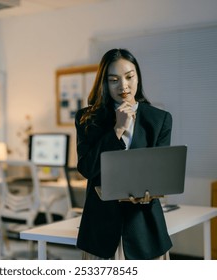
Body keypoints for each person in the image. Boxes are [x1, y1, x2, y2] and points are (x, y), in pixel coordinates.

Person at [75, 48, 173, 260]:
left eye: (129, 77)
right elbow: (87, 168)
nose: (124, 86)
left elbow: (160, 173)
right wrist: (116, 131)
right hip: (101, 229)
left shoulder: (159, 120)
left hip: (144, 229)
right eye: (114, 80)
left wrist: (149, 194)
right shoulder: (87, 118)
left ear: (138, 76)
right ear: (104, 82)